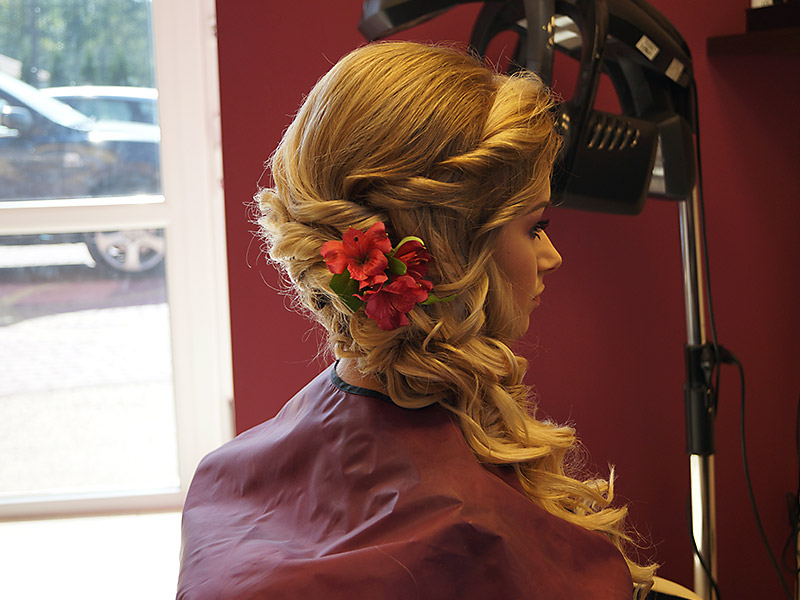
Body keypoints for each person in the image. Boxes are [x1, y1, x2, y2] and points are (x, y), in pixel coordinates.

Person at [177, 41, 661, 599]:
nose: (551, 257)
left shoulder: (224, 476)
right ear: (450, 251)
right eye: (533, 227)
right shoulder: (474, 534)